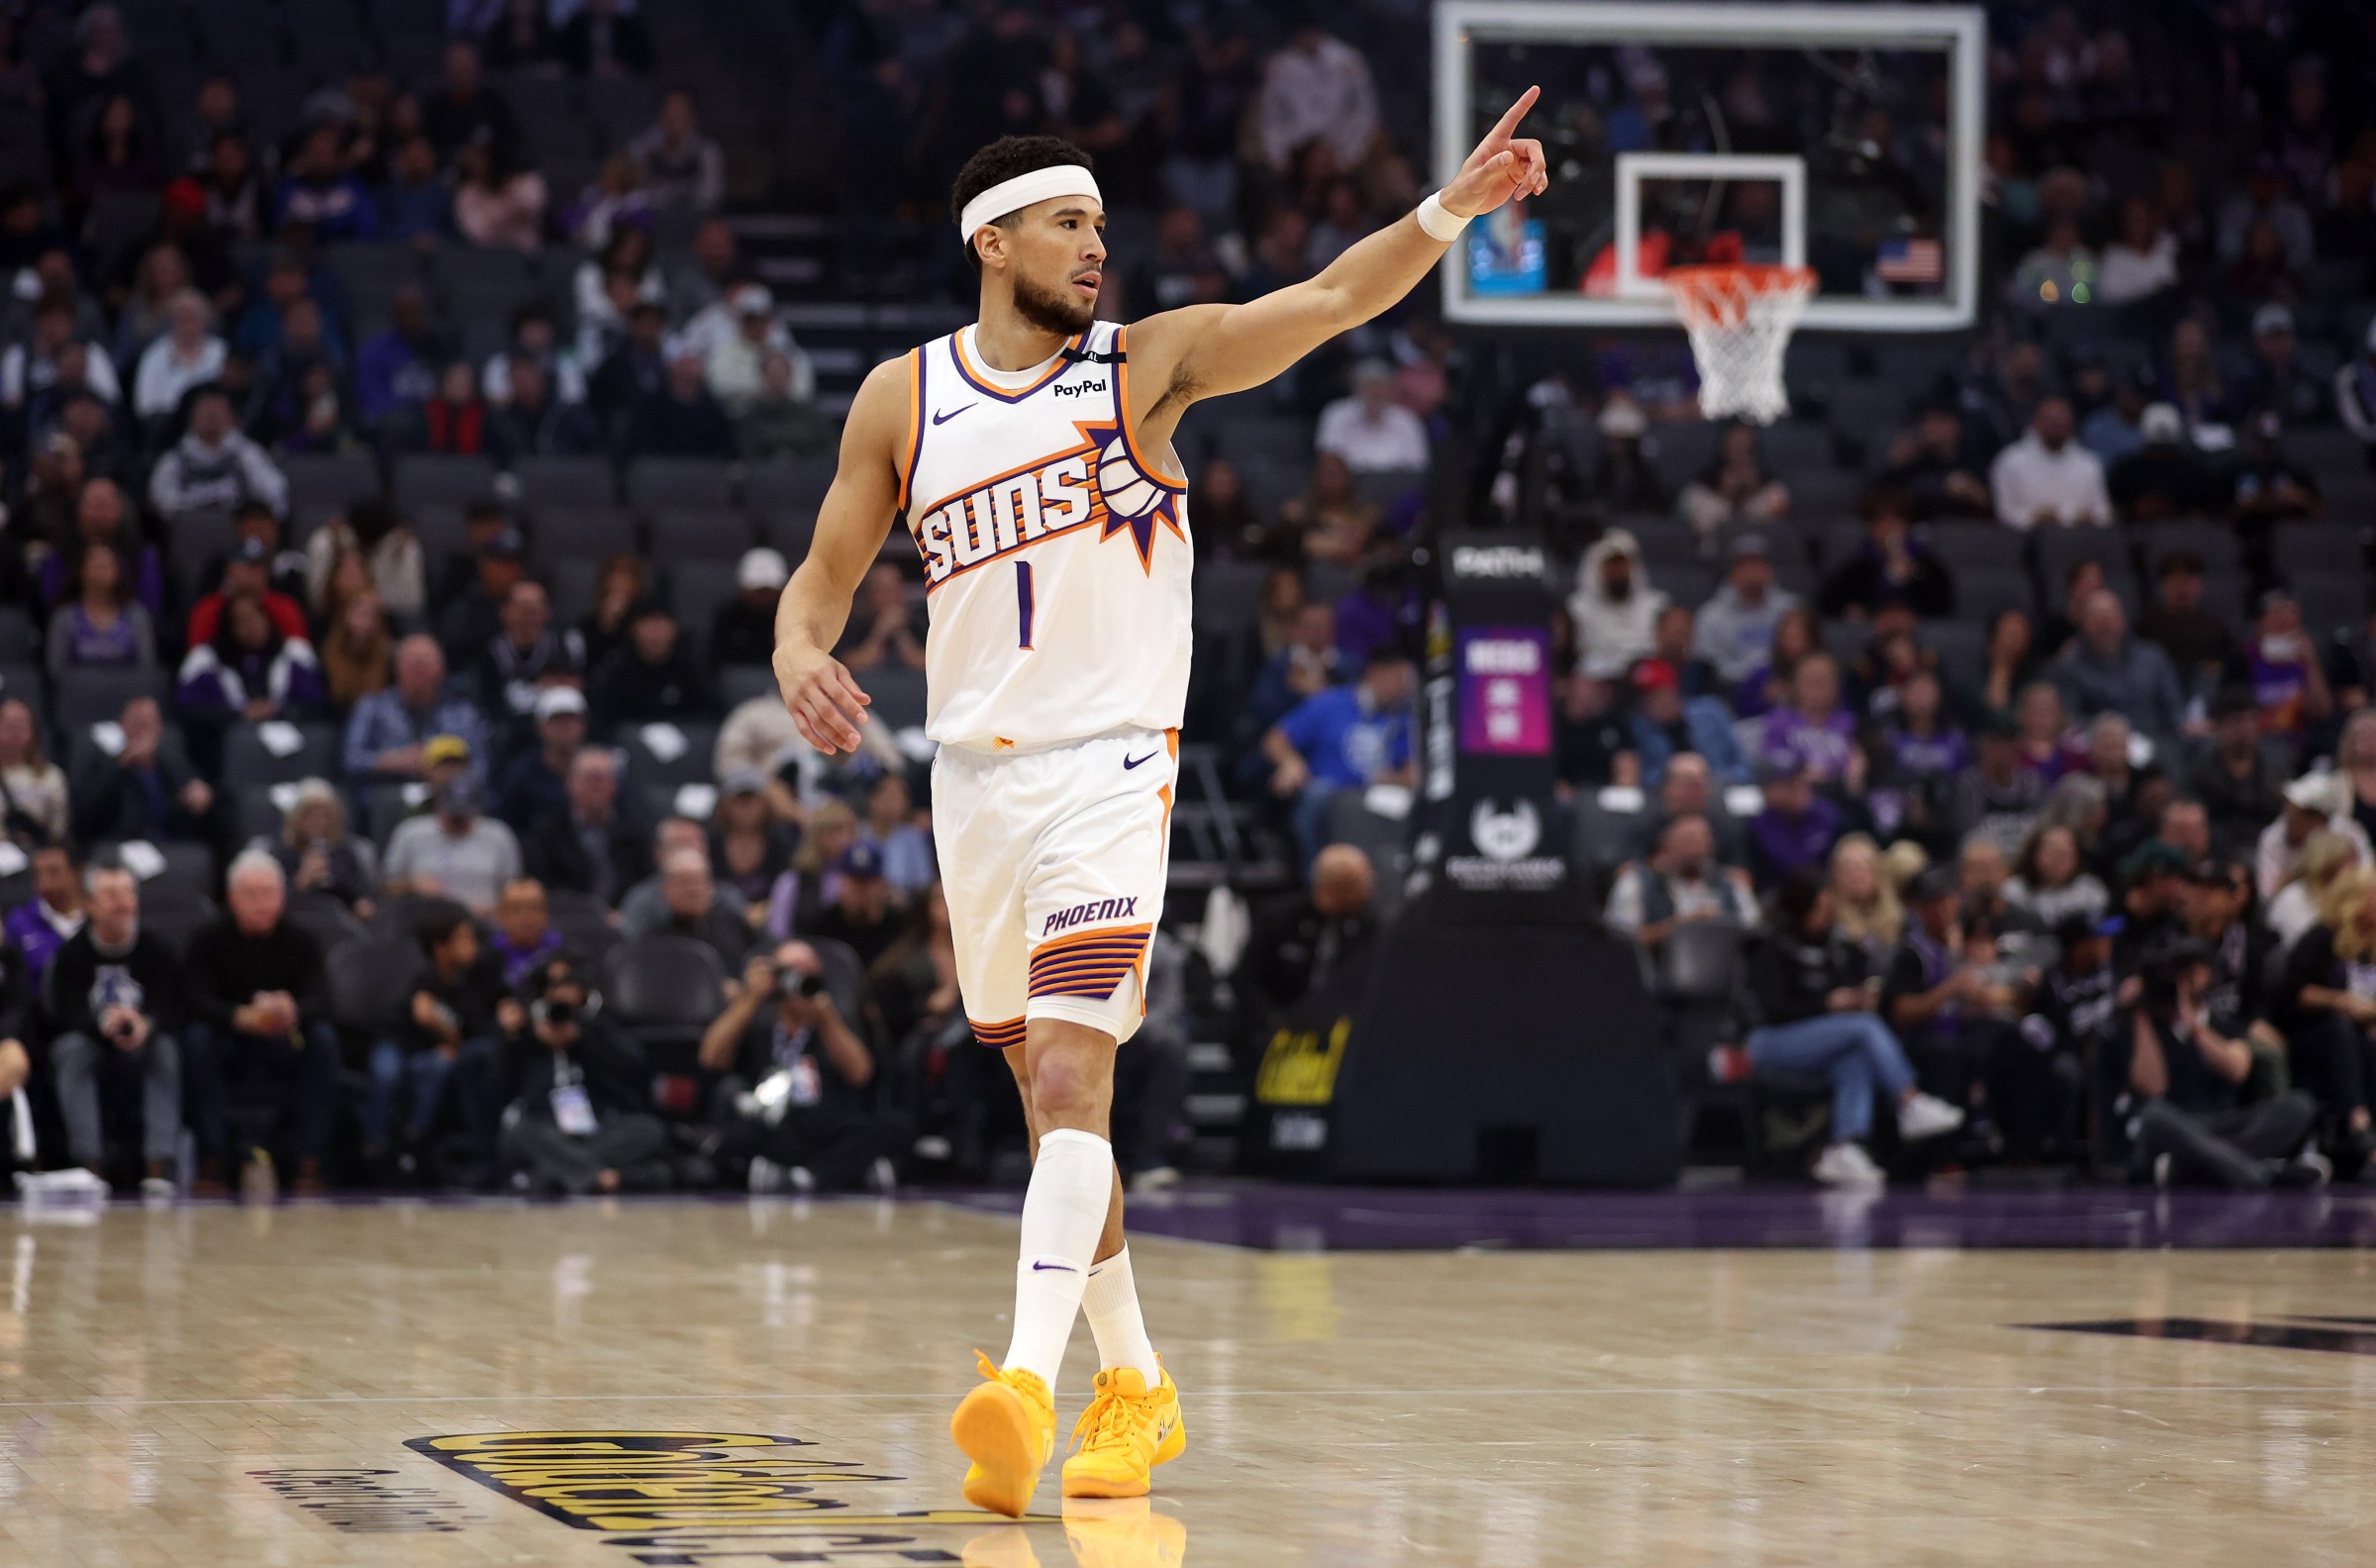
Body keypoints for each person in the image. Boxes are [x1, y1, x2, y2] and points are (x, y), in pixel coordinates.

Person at [766, 110, 1549, 1514]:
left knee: (1075, 1078)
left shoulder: (1145, 365)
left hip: (1111, 768)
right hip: (976, 785)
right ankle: (1135, 1385)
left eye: (1103, 226)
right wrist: (796, 647)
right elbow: (826, 566)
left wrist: (1448, 212)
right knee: (1052, 1111)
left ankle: (1019, 1383)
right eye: (1070, 224)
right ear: (991, 240)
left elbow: (1323, 301)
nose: (1096, 246)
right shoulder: (904, 397)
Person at [1742, 871, 1966, 1189]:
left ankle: (1845, 1147)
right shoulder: (1770, 946)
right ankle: (1909, 1101)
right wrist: (1828, 1005)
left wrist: (1858, 996)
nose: (1827, 913)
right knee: (1863, 1028)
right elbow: (1772, 1009)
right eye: (1820, 907)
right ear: (1800, 908)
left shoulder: (1835, 946)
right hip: (1769, 1042)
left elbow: (1852, 982)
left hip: (1825, 1042)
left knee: (1854, 1056)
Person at [179, 852, 339, 1197]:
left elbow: (323, 999)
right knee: (196, 1040)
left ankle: (309, 1161)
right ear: (233, 897)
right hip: (228, 1039)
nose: (261, 903)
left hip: (282, 1039)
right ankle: (214, 1159)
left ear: (282, 896)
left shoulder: (301, 940)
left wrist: (291, 1009)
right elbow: (193, 999)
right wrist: (239, 1016)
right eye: (251, 894)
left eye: (269, 893)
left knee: (323, 1040)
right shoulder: (208, 940)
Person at [699, 938, 909, 1193]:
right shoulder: (756, 1014)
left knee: (894, 1126)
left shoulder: (832, 1016)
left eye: (807, 972)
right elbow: (710, 1057)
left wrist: (826, 1020)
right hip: (771, 1123)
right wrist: (750, 997)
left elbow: (861, 1074)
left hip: (823, 1121)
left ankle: (805, 1177)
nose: (796, 980)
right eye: (788, 971)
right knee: (735, 1134)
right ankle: (841, 1171)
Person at [2113, 935, 2321, 1189]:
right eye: (2178, 971)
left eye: (2192, 969)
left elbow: (2237, 1070)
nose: (2183, 978)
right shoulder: (2142, 1026)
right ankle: (2258, 1172)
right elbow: (2152, 1087)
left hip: (2225, 1125)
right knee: (2154, 1114)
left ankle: (2191, 1170)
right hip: (2175, 1128)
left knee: (2299, 1105)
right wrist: (2141, 1010)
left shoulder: (2224, 1022)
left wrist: (2193, 1025)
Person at [43, 860, 181, 1196]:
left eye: (128, 893)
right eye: (110, 894)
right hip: (92, 1042)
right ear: (89, 904)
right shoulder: (73, 954)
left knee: (166, 1050)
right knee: (71, 1050)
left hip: (143, 1043)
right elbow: (63, 1014)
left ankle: (158, 1167)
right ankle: (89, 1165)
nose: (122, 902)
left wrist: (143, 1023)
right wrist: (103, 1023)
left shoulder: (157, 949)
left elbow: (173, 1006)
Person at [498, 952, 669, 1196]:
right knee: (517, 1131)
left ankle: (557, 1174)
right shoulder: (527, 1030)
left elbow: (631, 1068)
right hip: (545, 1127)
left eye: (567, 983)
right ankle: (603, 1178)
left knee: (650, 1130)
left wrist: (583, 1037)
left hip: (596, 1129)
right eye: (552, 985)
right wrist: (518, 1038)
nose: (559, 993)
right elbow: (502, 1090)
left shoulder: (598, 1022)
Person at [368, 899, 507, 1181]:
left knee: (438, 1066)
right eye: (464, 940)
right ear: (441, 949)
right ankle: (375, 1143)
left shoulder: (470, 983)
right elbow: (413, 1021)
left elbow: (463, 1032)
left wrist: (444, 1033)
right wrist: (444, 1034)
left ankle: (412, 1142)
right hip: (397, 1045)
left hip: (430, 1053)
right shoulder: (422, 978)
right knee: (387, 1073)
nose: (473, 947)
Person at [1260, 645, 1417, 867]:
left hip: (1373, 798)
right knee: (1316, 796)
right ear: (1376, 672)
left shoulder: (1403, 719)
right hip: (1328, 793)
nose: (1403, 687)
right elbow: (1274, 740)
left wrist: (1392, 779)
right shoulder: (1331, 702)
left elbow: (1414, 773)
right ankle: (1321, 881)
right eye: (1399, 678)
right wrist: (1291, 763)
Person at [69, 695, 226, 853]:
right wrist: (122, 763)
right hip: (124, 847)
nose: (143, 732)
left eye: (149, 724)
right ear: (123, 727)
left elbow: (196, 814)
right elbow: (84, 818)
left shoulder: (174, 766)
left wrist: (201, 798)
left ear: (159, 728)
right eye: (137, 724)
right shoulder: (104, 766)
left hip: (171, 848)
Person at [343, 635, 490, 796]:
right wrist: (394, 761)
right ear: (397, 667)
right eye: (412, 665)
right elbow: (351, 759)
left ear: (441, 669)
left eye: (424, 665)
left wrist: (446, 770)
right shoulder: (372, 706)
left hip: (449, 793)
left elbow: (481, 765)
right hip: (390, 791)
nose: (418, 672)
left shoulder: (463, 713)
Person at [2052, 590, 2187, 753]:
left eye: (2109, 618)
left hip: (2156, 745)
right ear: (2084, 624)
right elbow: (2070, 719)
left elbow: (2173, 709)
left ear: (2122, 620)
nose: (2105, 626)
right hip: (2100, 750)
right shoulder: (2070, 667)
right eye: (2097, 619)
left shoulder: (2153, 658)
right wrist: (2111, 732)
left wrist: (2183, 726)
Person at [1604, 814, 1755, 950]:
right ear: (1665, 846)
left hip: (1725, 970)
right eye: (1689, 840)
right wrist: (1681, 928)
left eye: (1704, 840)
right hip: (1656, 972)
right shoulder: (1637, 882)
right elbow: (1620, 940)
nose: (1699, 848)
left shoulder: (1731, 883)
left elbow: (1755, 931)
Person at [522, 746, 649, 906]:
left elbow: (646, 883)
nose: (596, 787)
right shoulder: (546, 833)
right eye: (589, 778)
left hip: (626, 921)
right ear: (570, 783)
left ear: (614, 785)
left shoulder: (635, 831)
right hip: (567, 919)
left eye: (602, 778)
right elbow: (540, 886)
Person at [147, 384, 288, 521]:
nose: (212, 418)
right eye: (206, 412)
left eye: (218, 411)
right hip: (192, 532)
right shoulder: (175, 459)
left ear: (231, 416)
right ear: (192, 416)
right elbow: (162, 504)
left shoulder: (246, 453)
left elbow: (274, 493)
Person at [383, 778, 522, 915]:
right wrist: (412, 885)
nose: (457, 819)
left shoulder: (498, 834)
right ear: (438, 804)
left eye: (463, 814)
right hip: (423, 924)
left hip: (486, 923)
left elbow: (515, 890)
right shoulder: (410, 832)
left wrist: (494, 911)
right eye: (453, 812)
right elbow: (387, 887)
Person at [587, 600, 712, 734]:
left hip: (682, 739)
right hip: (630, 742)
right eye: (649, 624)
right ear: (634, 628)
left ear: (675, 628)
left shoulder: (690, 667)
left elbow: (709, 713)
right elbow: (604, 719)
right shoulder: (616, 669)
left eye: (662, 623)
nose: (656, 632)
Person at [1989, 398, 2111, 531]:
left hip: (2078, 540)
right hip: (2024, 542)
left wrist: (2080, 516)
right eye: (2051, 421)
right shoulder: (2010, 461)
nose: (2057, 426)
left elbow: (2103, 514)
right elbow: (2004, 514)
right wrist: (2036, 517)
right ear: (2036, 422)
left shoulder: (2089, 463)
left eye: (2061, 422)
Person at [2257, 773, 2372, 905]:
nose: (2288, 815)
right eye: (2288, 807)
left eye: (2298, 813)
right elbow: (2267, 897)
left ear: (2320, 819)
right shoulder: (2272, 837)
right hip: (2296, 906)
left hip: (2345, 902)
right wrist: (2301, 869)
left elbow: (2367, 879)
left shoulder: (2350, 833)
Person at [1569, 528, 1666, 679]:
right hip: (1597, 680)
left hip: (1646, 679)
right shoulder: (1578, 608)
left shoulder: (1656, 605)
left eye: (1622, 565)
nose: (1618, 572)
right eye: (1611, 565)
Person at [271, 777, 377, 916]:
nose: (317, 822)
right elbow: (272, 904)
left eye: (323, 816)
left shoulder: (344, 853)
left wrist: (359, 902)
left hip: (339, 922)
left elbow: (362, 896)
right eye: (310, 816)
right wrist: (302, 880)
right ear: (296, 818)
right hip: (295, 922)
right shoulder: (282, 853)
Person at [643, 845, 752, 971]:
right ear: (665, 890)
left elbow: (766, 947)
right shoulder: (653, 942)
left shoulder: (732, 924)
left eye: (698, 881)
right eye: (683, 882)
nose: (693, 890)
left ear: (711, 887)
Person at [1314, 357, 1427, 473]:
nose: (1375, 393)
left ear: (1390, 390)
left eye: (1380, 386)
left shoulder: (1407, 420)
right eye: (1369, 386)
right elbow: (1328, 461)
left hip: (1396, 486)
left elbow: (1417, 465)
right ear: (1356, 389)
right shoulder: (1336, 414)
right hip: (1349, 486)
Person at [0, 699, 69, 847]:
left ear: (32, 731)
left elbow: (57, 830)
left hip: (34, 853)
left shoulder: (51, 776)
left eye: (20, 725)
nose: (14, 731)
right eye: (8, 725)